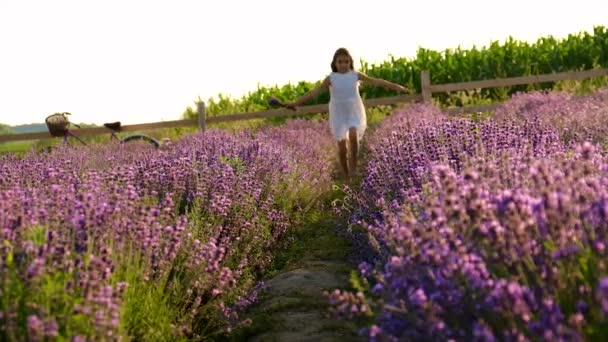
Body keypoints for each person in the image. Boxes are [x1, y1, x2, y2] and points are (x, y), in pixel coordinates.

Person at [285, 47, 409, 178]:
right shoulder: (331, 78)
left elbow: (377, 81)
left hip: (353, 111)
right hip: (338, 113)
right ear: (335, 63)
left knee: (354, 134)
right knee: (342, 148)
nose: (343, 64)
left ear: (350, 62)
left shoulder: (355, 75)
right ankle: (345, 174)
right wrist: (295, 103)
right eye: (340, 62)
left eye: (346, 61)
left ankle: (353, 167)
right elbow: (313, 93)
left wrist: (398, 87)